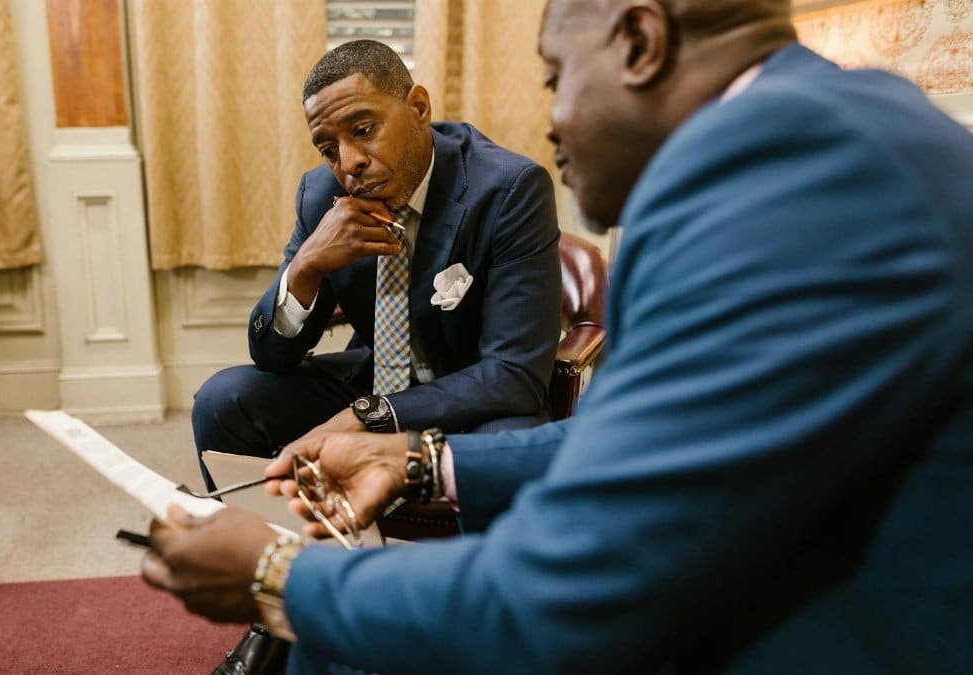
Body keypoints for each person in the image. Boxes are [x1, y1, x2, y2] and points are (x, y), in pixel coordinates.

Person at [143, 1, 973, 673]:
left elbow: (564, 588)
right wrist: (424, 458)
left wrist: (276, 575)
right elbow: (651, 443)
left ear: (640, 41)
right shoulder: (816, 134)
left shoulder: (792, 178)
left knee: (333, 646)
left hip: (828, 631)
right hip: (787, 560)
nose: (553, 124)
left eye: (555, 78)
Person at [191, 39, 562, 490]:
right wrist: (306, 266)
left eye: (364, 130)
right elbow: (271, 356)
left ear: (419, 108)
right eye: (329, 148)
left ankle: (475, 564)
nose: (350, 164)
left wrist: (369, 417)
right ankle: (276, 553)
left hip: (475, 398)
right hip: (372, 377)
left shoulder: (508, 191)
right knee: (223, 400)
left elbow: (514, 375)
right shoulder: (320, 197)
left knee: (509, 450)